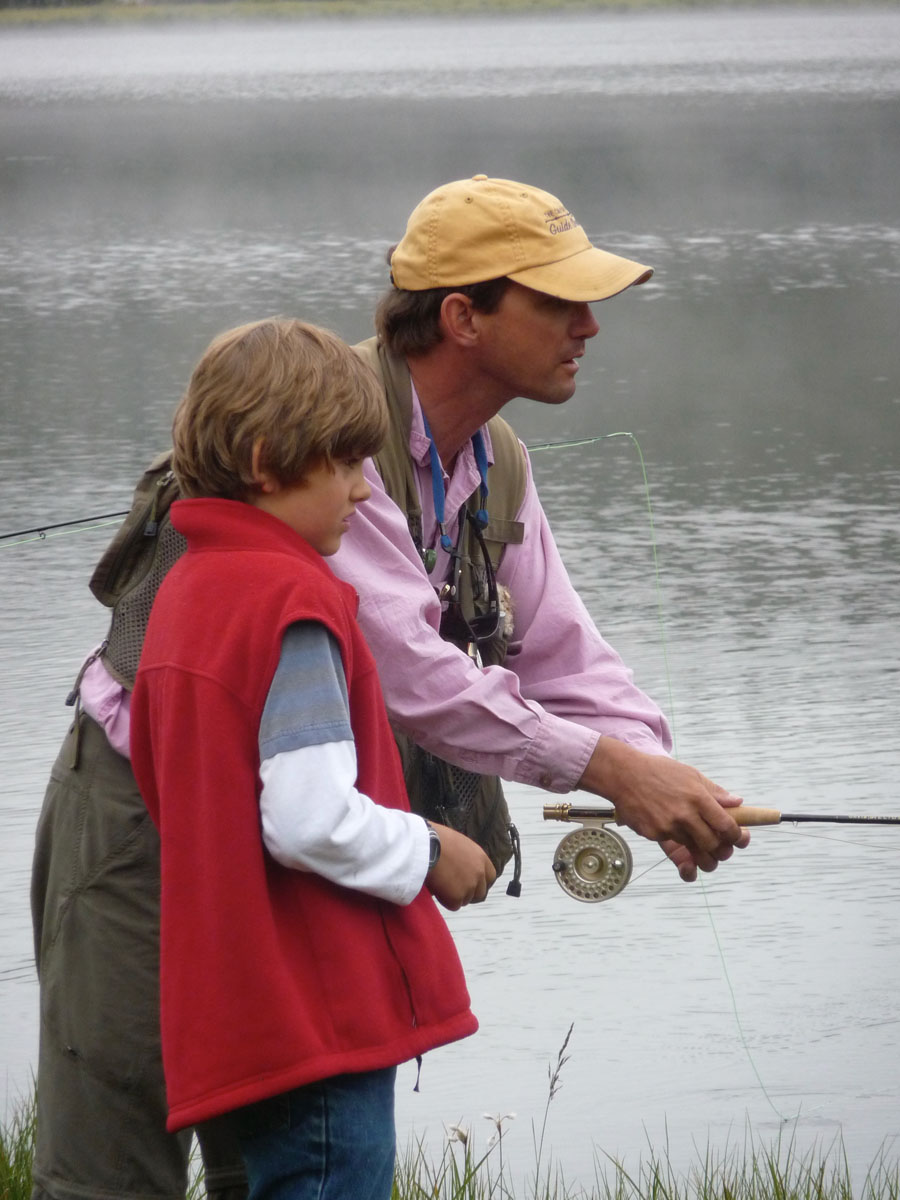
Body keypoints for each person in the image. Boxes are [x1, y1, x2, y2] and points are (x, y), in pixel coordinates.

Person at [30, 173, 749, 1200]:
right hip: (149, 812)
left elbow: (562, 652)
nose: (590, 324)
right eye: (558, 300)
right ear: (463, 316)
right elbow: (422, 682)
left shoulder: (492, 459)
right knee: (116, 1166)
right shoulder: (328, 447)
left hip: (299, 814)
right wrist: (612, 772)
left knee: (269, 1156)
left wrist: (660, 774)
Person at [131, 316, 491, 1199]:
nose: (364, 495)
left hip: (238, 1011)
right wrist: (432, 849)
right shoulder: (292, 601)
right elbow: (309, 820)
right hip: (313, 1021)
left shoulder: (187, 592)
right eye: (342, 465)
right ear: (265, 461)